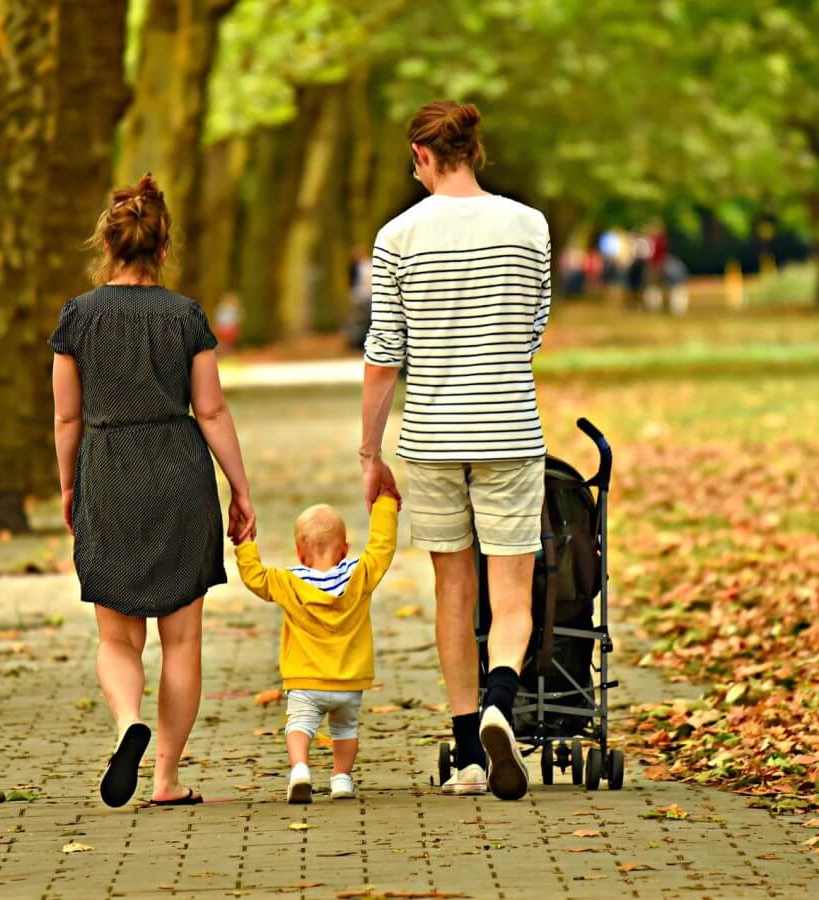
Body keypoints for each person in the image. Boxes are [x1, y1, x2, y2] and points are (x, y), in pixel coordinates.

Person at [359, 100, 551, 801]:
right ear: (476, 150)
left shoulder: (397, 237)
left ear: (422, 157)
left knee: (452, 589)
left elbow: (385, 355)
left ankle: (469, 751)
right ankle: (504, 697)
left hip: (433, 439)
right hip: (508, 430)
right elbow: (534, 329)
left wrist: (369, 451)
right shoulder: (528, 226)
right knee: (512, 591)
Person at [48, 174, 257, 808]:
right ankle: (166, 778)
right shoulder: (186, 315)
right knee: (183, 641)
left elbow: (66, 418)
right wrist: (240, 490)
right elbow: (213, 412)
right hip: (179, 470)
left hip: (108, 470)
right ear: (163, 247)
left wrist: (68, 487)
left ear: (106, 245)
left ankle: (126, 724)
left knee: (117, 639)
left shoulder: (77, 319)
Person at [234, 496, 399, 803]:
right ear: (345, 549)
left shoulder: (288, 582)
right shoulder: (359, 575)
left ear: (299, 552)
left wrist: (245, 543)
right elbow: (382, 548)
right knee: (345, 730)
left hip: (304, 682)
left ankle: (299, 770)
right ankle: (342, 779)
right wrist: (385, 506)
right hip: (349, 682)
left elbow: (255, 578)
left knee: (299, 726)